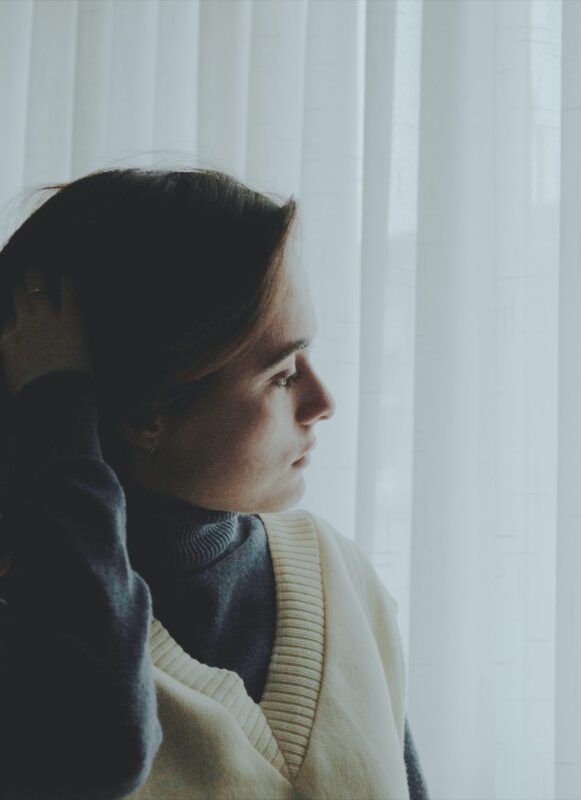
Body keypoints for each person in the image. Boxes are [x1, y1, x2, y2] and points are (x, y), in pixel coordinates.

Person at [0, 168, 429, 799]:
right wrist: (65, 410)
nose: (323, 401)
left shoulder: (339, 575)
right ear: (149, 412)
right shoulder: (35, 616)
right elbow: (98, 748)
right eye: (283, 373)